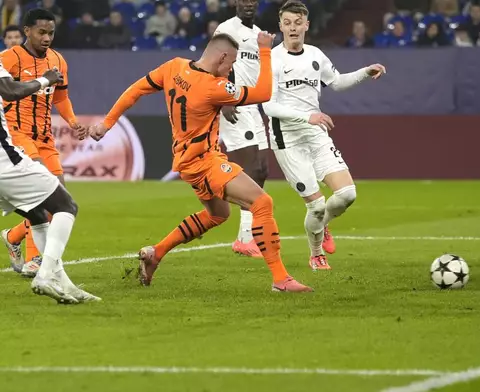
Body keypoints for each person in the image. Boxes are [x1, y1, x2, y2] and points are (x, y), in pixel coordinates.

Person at [81, 32, 312, 292]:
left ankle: (156, 253)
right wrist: (265, 49)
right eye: (232, 63)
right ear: (222, 57)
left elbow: (135, 90)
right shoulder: (215, 87)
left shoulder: (173, 67)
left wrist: (107, 123)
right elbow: (264, 92)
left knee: (218, 214)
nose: (231, 68)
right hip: (205, 161)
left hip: (186, 160)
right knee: (261, 202)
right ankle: (281, 279)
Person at [262, 0, 386, 270]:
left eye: (298, 23)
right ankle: (316, 253)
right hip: (288, 140)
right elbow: (268, 105)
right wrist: (308, 116)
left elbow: (337, 82)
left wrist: (365, 72)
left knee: (347, 195)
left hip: (316, 134)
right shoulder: (272, 59)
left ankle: (323, 225)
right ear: (281, 26)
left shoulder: (316, 55)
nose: (293, 28)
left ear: (306, 25)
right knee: (316, 205)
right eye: (288, 23)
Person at [0, 62, 99, 304]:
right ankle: (45, 275)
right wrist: (45, 80)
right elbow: (10, 91)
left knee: (36, 214)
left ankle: (63, 283)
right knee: (65, 205)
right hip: (5, 162)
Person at [0, 9, 86, 278]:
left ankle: (14, 236)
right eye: (41, 32)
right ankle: (34, 259)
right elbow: (8, 91)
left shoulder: (58, 60)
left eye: (51, 32)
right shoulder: (9, 57)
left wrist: (72, 122)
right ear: (27, 31)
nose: (47, 37)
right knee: (42, 192)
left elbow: (61, 98)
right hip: (17, 134)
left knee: (59, 199)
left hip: (45, 137)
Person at [214, 0, 269, 258]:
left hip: (254, 107)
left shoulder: (258, 35)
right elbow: (214, 63)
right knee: (251, 169)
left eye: (252, 0)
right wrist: (223, 98)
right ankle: (246, 239)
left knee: (262, 170)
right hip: (233, 102)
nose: (248, 3)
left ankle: (246, 237)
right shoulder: (227, 28)